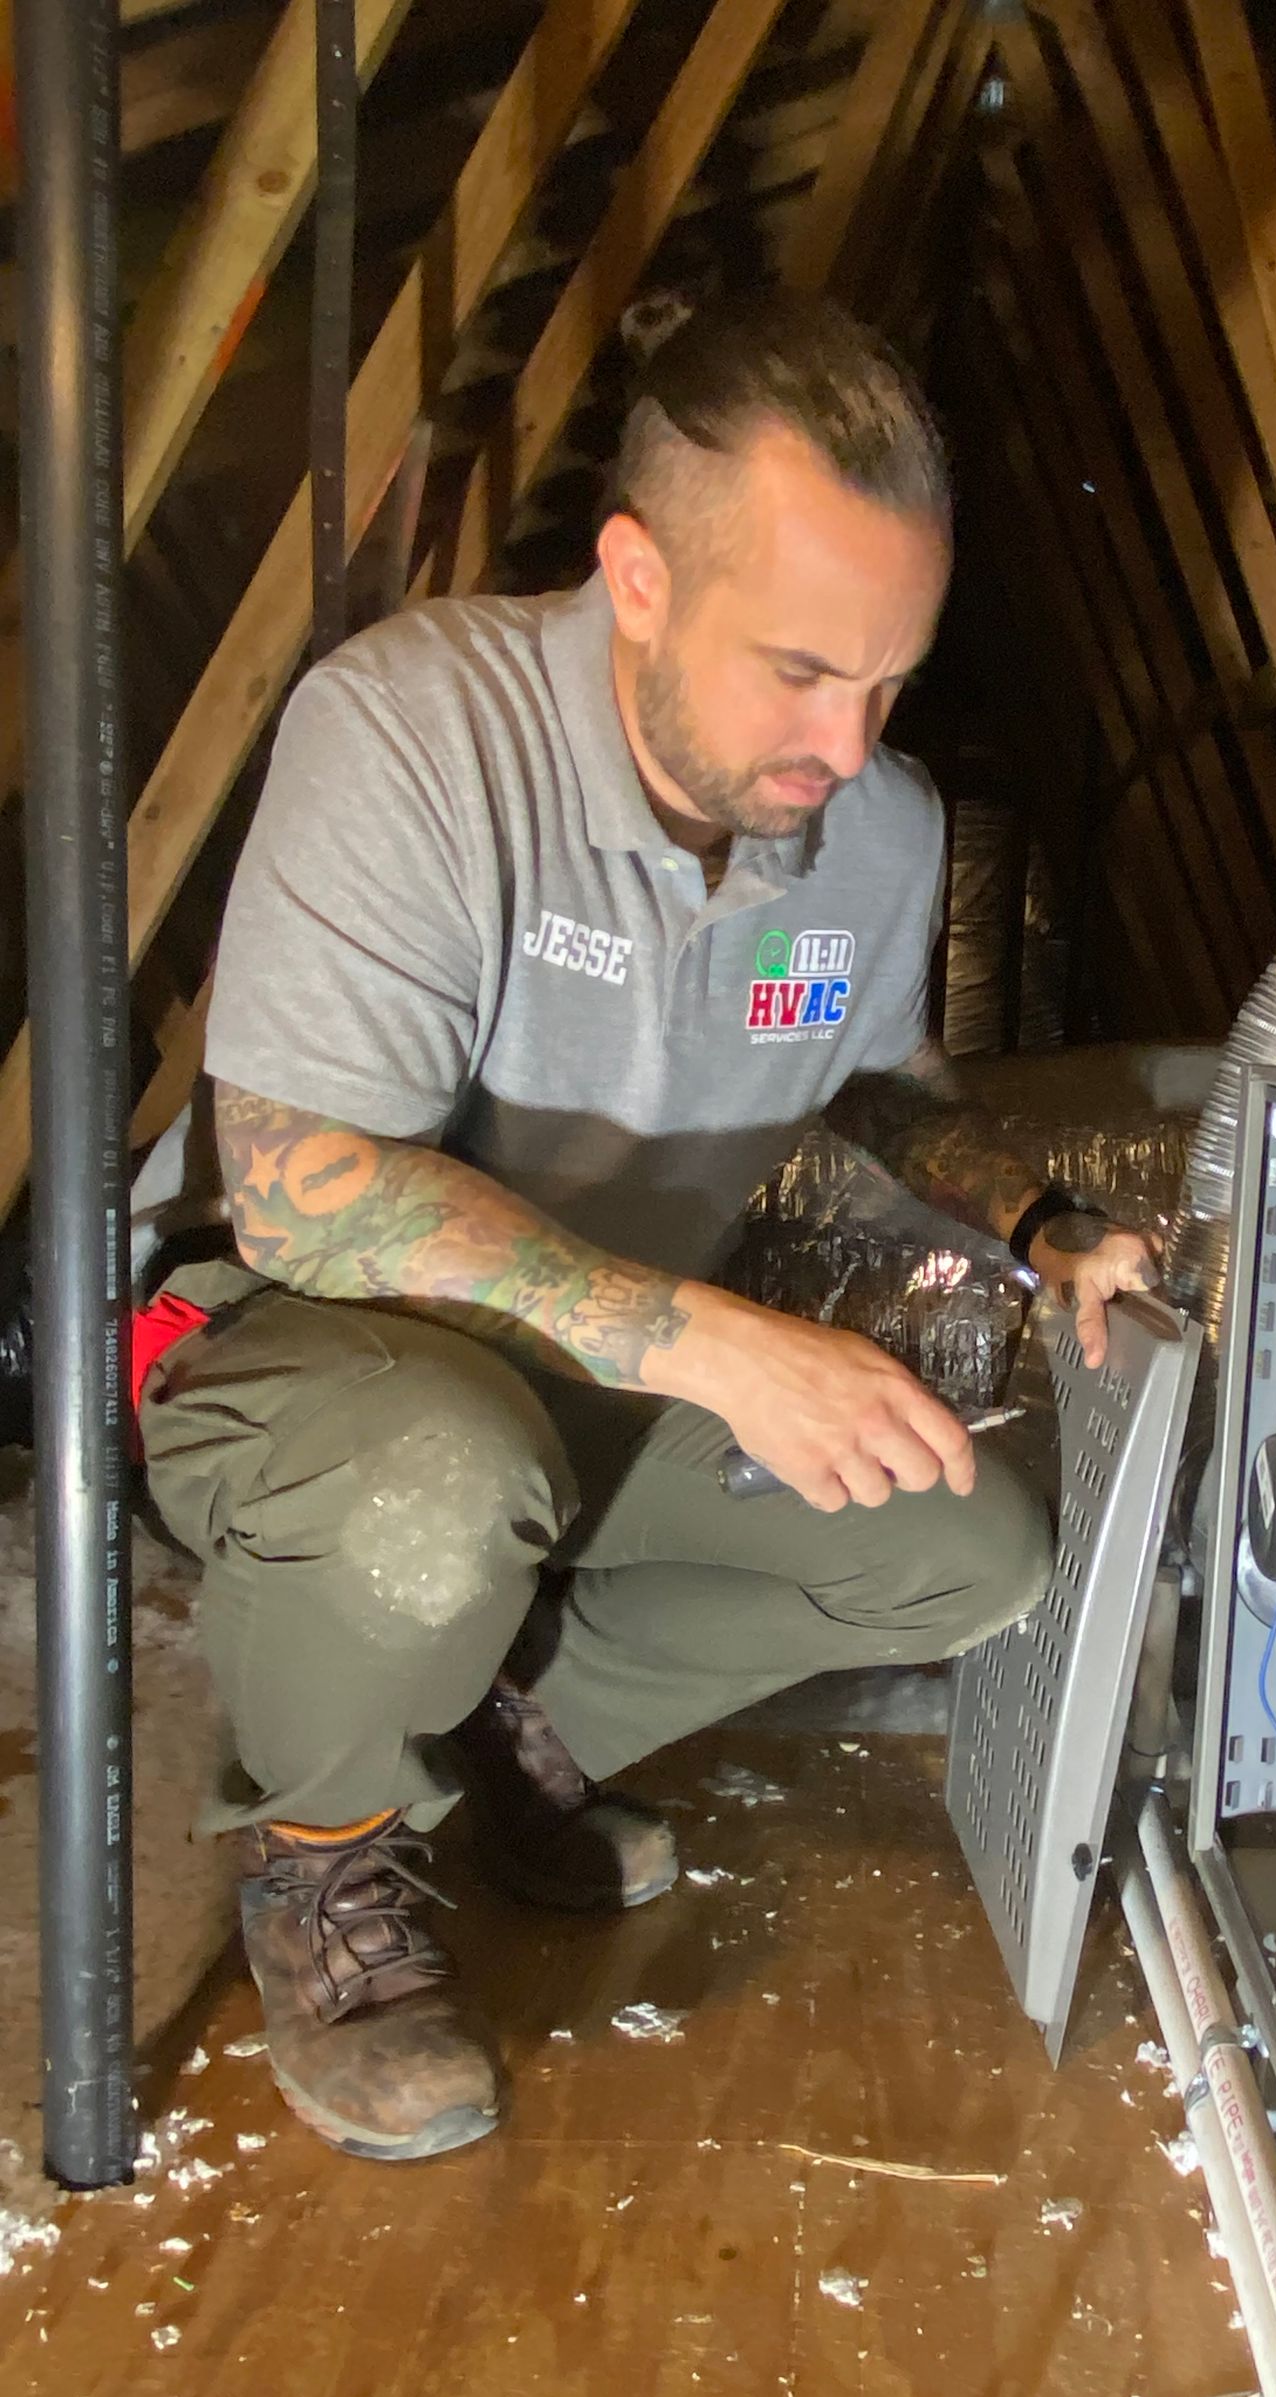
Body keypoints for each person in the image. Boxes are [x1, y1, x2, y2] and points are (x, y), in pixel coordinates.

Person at [135, 295, 1158, 2164]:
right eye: (797, 671)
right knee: (433, 1486)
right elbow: (297, 1180)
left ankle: (503, 1747)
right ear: (632, 575)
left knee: (967, 1543)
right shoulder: (416, 735)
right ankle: (320, 1860)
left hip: (608, 1361)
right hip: (316, 1358)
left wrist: (1043, 1216)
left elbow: (879, 1087)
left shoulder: (878, 829)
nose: (845, 745)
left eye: (889, 684)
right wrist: (709, 1343)